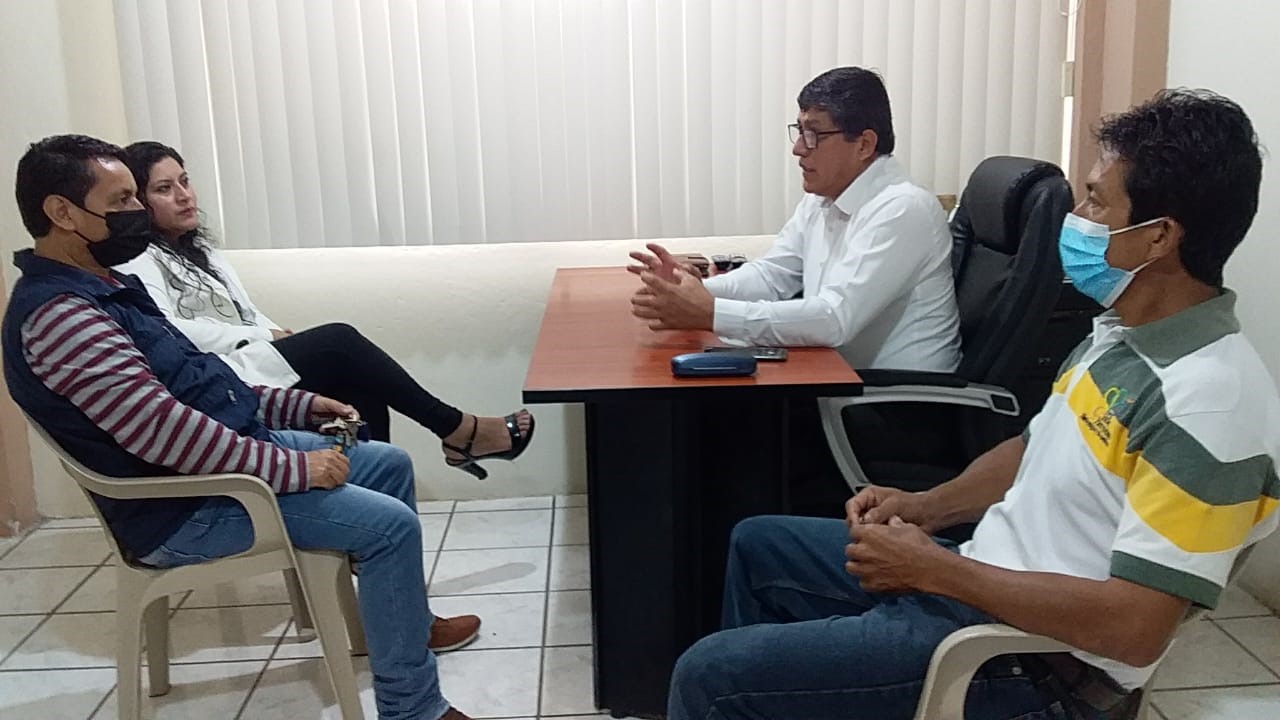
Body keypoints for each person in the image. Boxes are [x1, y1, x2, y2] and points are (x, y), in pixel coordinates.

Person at [666, 89, 1279, 720]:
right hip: (984, 579)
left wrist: (936, 571)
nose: (1077, 216)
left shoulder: (1208, 404)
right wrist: (927, 508)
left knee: (709, 676)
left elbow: (1134, 629)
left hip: (1036, 666)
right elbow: (1034, 447)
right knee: (759, 546)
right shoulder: (1121, 334)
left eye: (1097, 200)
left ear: (1158, 237)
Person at [3, 134, 480, 720]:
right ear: (62, 212)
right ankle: (413, 709)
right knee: (390, 527)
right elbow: (162, 432)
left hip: (215, 469)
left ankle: (404, 626)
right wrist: (294, 468)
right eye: (122, 200)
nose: (137, 212)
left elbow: (202, 382)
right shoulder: (63, 317)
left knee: (388, 463)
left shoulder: (108, 288)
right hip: (182, 507)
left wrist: (299, 407)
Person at [116, 141, 533, 480]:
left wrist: (281, 335)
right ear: (138, 202)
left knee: (360, 388)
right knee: (338, 340)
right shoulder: (137, 259)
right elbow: (170, 332)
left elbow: (247, 313)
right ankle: (457, 429)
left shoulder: (201, 252)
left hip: (250, 360)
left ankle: (377, 498)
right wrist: (268, 337)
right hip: (215, 376)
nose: (184, 195)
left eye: (185, 181)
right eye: (164, 189)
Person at [629, 66, 962, 374]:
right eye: (800, 131)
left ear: (863, 144)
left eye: (815, 134)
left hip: (897, 400)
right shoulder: (822, 198)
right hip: (835, 378)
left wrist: (711, 312)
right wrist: (692, 292)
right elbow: (773, 276)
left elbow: (835, 318)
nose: (799, 148)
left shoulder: (902, 209)